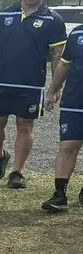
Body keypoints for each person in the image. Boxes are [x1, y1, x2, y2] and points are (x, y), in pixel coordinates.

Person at [0, 0, 68, 188]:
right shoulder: (1, 16)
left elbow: (57, 56)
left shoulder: (53, 20)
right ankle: (0, 155)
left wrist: (55, 88)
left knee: (25, 127)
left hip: (31, 84)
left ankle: (17, 172)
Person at [42, 19, 83, 212]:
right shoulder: (76, 34)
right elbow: (63, 66)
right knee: (68, 146)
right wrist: (52, 91)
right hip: (74, 101)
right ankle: (59, 195)